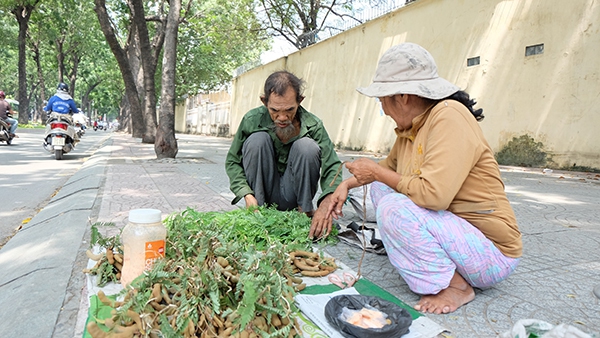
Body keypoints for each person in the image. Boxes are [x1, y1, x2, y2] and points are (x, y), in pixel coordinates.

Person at [326, 43, 522, 314]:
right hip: (457, 236)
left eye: (382, 99)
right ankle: (430, 261)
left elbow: (434, 196)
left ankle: (455, 287)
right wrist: (345, 185)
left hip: (491, 253)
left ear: (403, 96)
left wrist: (377, 173)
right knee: (381, 191)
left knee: (393, 209)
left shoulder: (449, 116)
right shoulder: (411, 129)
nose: (383, 109)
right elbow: (384, 171)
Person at [225, 70, 343, 239]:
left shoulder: (313, 125)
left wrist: (327, 202)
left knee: (307, 147)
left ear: (300, 101)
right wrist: (246, 194)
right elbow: (232, 161)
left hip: (295, 197)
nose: (282, 117)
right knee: (257, 140)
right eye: (274, 110)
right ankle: (258, 214)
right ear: (264, 102)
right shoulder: (252, 120)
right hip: (262, 195)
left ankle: (304, 214)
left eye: (289, 110)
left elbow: (333, 166)